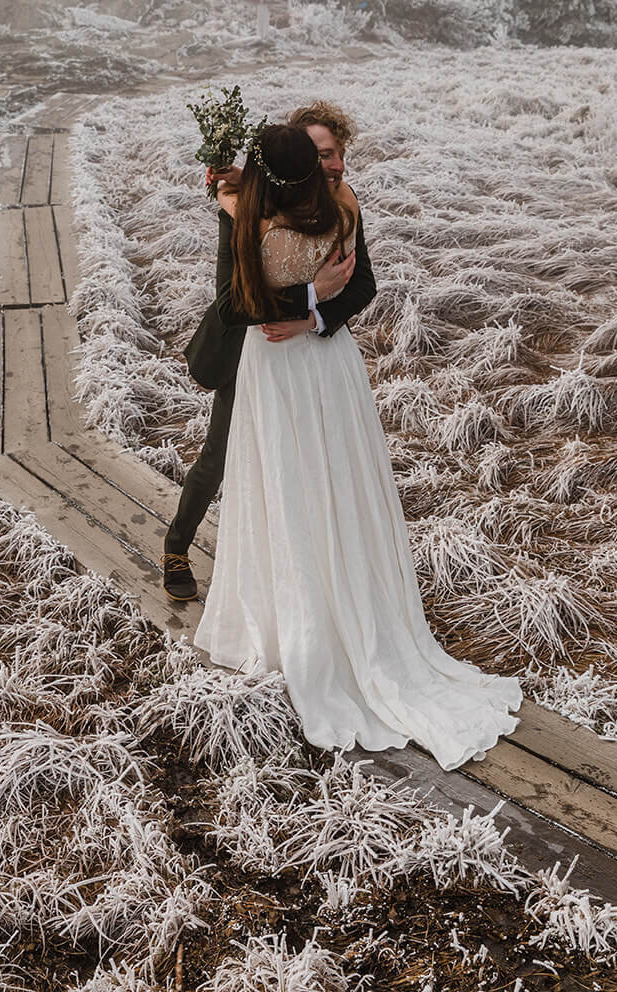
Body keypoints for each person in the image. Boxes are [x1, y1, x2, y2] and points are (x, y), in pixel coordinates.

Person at [193, 122, 523, 770]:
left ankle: (304, 623)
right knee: (315, 480)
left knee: (299, 482)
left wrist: (310, 310)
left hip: (286, 363)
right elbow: (320, 286)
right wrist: (313, 297)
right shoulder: (332, 208)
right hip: (322, 366)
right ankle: (328, 606)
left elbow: (243, 304)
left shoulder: (254, 219)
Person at [162, 102, 377, 601]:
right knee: (220, 456)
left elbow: (361, 282)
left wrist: (313, 317)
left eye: (334, 154)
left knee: (308, 466)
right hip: (248, 354)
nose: (330, 165)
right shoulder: (243, 212)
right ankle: (177, 543)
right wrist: (307, 294)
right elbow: (230, 302)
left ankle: (304, 572)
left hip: (314, 356)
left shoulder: (343, 205)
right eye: (318, 154)